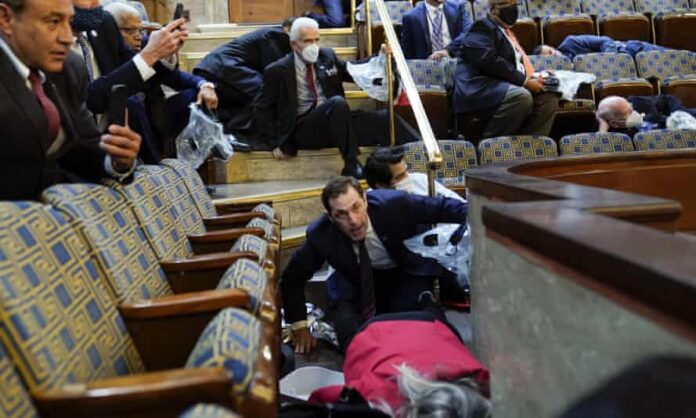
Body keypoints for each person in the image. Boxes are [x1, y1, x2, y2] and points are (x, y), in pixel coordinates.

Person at [281, 176, 468, 353]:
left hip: (402, 272)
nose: (353, 221)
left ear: (365, 200)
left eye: (356, 208)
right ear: (329, 217)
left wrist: (488, 218)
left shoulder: (394, 204)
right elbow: (292, 278)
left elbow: (444, 208)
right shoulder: (320, 235)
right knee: (352, 335)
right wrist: (299, 327)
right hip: (353, 281)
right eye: (341, 214)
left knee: (425, 326)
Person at [0, 0, 141, 200]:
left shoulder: (70, 68)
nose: (67, 37)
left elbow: (84, 149)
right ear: (6, 19)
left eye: (69, 22)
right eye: (53, 21)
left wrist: (117, 159)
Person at [254, 17, 415, 178]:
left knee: (385, 119)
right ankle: (351, 164)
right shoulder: (277, 70)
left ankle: (425, 154)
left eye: (316, 40)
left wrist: (380, 56)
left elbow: (354, 71)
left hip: (337, 122)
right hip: (303, 129)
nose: (313, 46)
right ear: (293, 44)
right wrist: (274, 143)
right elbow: (261, 107)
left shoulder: (327, 56)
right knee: (337, 103)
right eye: (307, 41)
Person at [73, 0, 217, 163]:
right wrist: (149, 55)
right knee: (132, 104)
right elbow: (92, 98)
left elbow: (142, 68)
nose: (97, 2)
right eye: (130, 30)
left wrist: (165, 52)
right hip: (75, 144)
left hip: (116, 137)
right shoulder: (58, 47)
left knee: (193, 99)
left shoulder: (103, 22)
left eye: (140, 30)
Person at [309, 311, 491, 418]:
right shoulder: (374, 396)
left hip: (437, 330)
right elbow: (318, 404)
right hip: (375, 334)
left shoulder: (485, 386)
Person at [451, 0, 559, 138]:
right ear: (494, 10)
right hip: (478, 88)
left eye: (515, 4)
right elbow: (489, 60)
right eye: (508, 5)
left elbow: (515, 67)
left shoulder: (507, 33)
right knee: (521, 96)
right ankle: (491, 146)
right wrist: (525, 81)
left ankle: (531, 145)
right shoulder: (481, 27)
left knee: (549, 94)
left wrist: (538, 76)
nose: (513, 9)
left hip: (505, 85)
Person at [194, 19, 293, 134]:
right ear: (287, 30)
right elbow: (274, 72)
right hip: (223, 67)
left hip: (224, 68)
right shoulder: (275, 37)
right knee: (266, 93)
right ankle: (233, 131)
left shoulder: (279, 37)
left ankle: (226, 126)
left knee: (259, 96)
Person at [364, 145, 464, 201]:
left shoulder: (420, 180)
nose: (408, 177)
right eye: (400, 176)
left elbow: (459, 203)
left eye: (406, 171)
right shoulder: (369, 203)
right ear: (381, 185)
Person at [400, 0, 472, 60]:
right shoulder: (410, 17)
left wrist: (448, 50)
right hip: (426, 68)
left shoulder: (458, 7)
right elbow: (407, 53)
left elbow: (469, 32)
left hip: (456, 62)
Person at [596, 95, 696, 133]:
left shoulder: (637, 102)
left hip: (678, 117)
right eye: (629, 112)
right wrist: (603, 126)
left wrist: (681, 114)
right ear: (614, 123)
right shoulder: (618, 134)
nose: (634, 112)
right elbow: (602, 142)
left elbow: (668, 99)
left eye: (631, 107)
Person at [535, 35, 668, 60]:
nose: (554, 55)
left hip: (631, 49)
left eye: (551, 51)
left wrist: (609, 59)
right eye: (549, 57)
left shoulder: (571, 42)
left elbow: (605, 40)